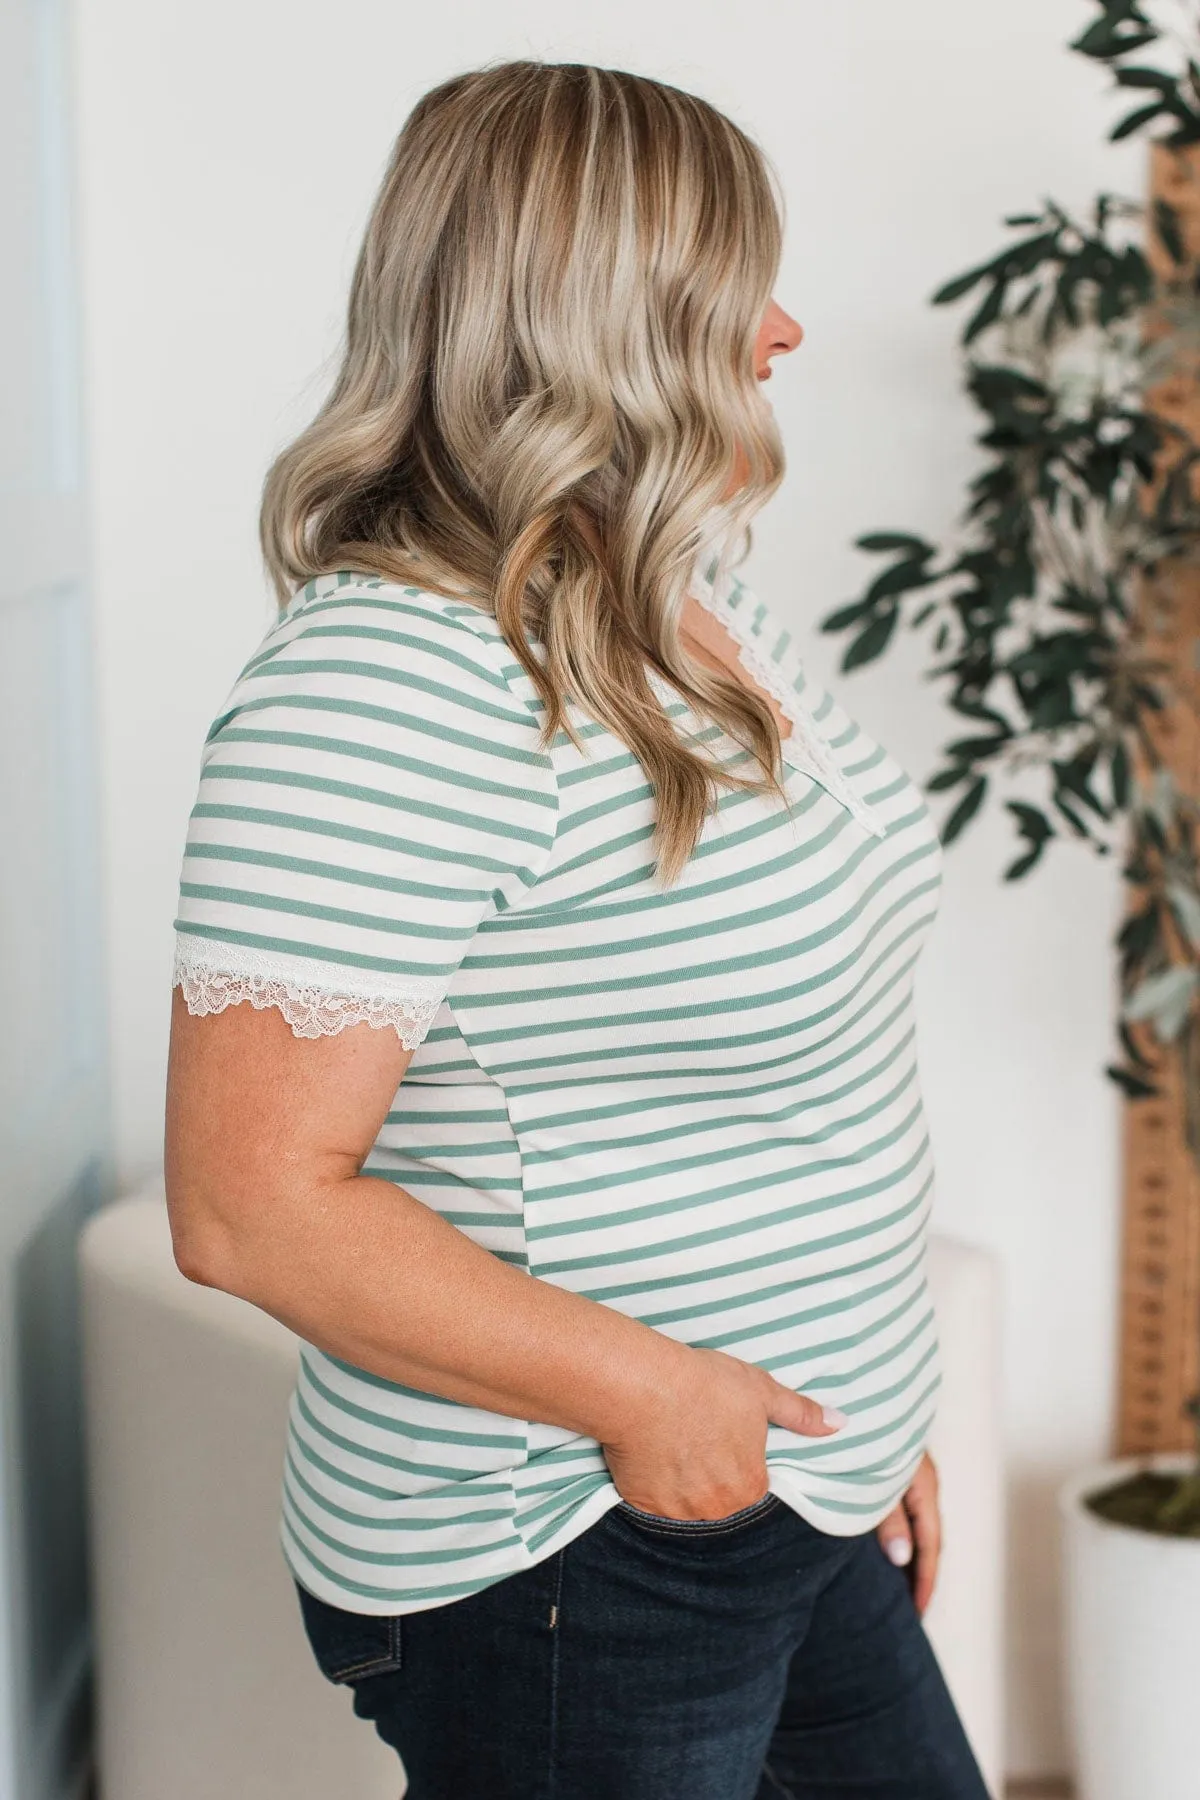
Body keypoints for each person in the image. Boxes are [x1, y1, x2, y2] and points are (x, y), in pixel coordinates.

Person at [164, 58, 988, 1800]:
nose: (780, 331)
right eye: (729, 287)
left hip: (787, 1481)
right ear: (604, 320)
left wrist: (864, 1404)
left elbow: (807, 1059)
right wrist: (649, 1399)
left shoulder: (677, 605)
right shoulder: (388, 685)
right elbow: (249, 1208)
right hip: (574, 1542)